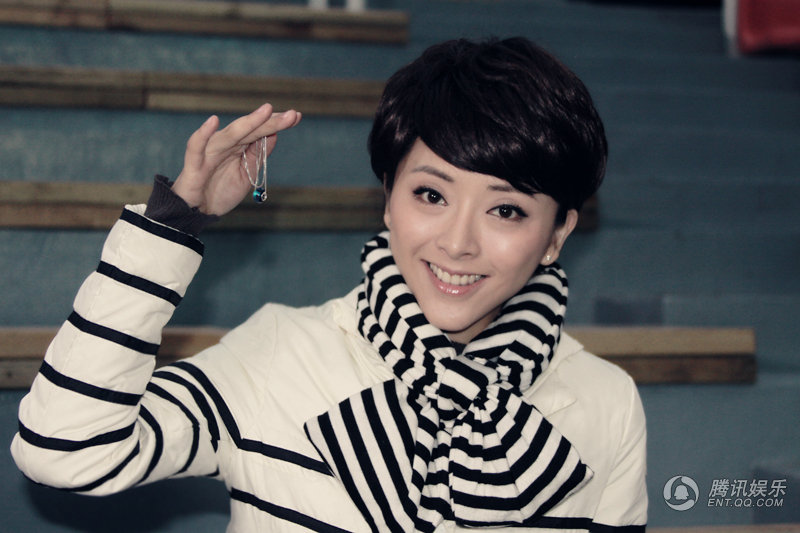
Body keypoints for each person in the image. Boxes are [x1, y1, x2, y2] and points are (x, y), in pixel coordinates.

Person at [11, 37, 647, 532]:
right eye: (431, 195)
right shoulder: (279, 353)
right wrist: (172, 225)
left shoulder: (606, 402)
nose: (458, 243)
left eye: (505, 210)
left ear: (557, 233)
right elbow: (65, 449)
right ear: (389, 199)